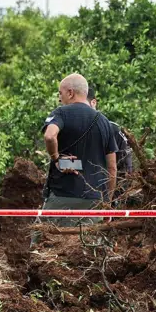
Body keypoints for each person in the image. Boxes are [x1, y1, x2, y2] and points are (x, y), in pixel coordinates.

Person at [41, 73, 116, 223]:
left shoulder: (61, 113)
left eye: (60, 93)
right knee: (90, 245)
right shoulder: (105, 122)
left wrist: (56, 159)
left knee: (44, 243)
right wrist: (107, 203)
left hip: (63, 197)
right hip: (95, 201)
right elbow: (112, 168)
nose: (59, 99)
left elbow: (50, 136)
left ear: (70, 93)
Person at [87, 84, 133, 179]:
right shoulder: (73, 128)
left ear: (93, 103)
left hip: (111, 182)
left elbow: (126, 164)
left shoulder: (112, 128)